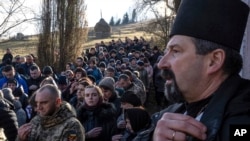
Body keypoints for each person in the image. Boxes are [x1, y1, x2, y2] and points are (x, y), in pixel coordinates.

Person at [139, 0, 250, 141]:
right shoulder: (171, 113)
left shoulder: (242, 117)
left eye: (176, 51)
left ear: (214, 61)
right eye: (166, 51)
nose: (161, 63)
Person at [17, 84, 85, 141]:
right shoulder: (36, 121)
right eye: (37, 103)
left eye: (44, 103)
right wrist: (20, 138)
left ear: (57, 102)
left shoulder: (72, 125)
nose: (39, 107)